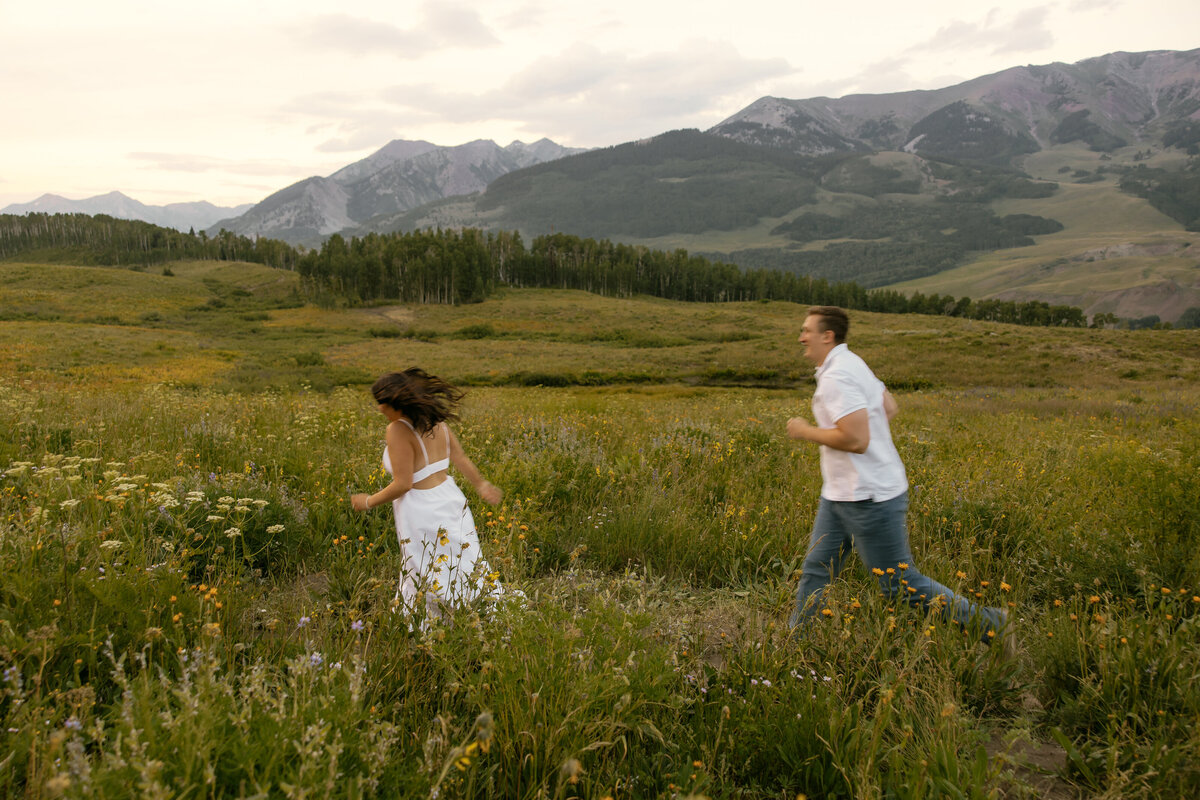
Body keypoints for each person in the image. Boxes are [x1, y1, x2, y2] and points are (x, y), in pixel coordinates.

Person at [786, 307, 1012, 652]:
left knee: (899, 583)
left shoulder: (837, 376)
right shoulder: (851, 364)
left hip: (868, 498)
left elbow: (856, 440)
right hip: (841, 494)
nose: (801, 337)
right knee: (817, 569)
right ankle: (796, 644)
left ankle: (993, 624)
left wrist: (805, 431)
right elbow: (888, 406)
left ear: (827, 336)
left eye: (806, 330)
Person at [351, 368, 506, 625]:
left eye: (381, 402)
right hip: (450, 498)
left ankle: (430, 622)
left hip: (421, 508)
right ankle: (478, 610)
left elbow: (403, 484)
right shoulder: (437, 422)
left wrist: (368, 501)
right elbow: (460, 458)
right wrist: (481, 484)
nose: (378, 408)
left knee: (424, 566)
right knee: (464, 559)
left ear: (395, 403)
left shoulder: (397, 430)